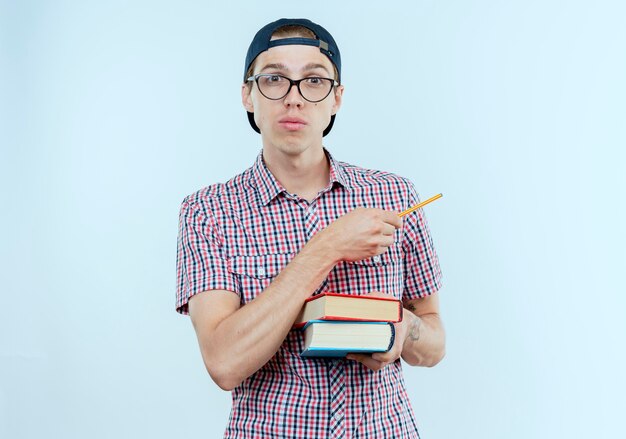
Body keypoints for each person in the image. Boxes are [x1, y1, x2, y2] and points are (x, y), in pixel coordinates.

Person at [176, 18, 445, 438]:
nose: (294, 99)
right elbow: (224, 363)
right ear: (248, 95)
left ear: (336, 99)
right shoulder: (208, 212)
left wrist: (403, 331)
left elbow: (434, 342)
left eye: (314, 81)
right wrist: (328, 245)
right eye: (275, 79)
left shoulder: (395, 194)